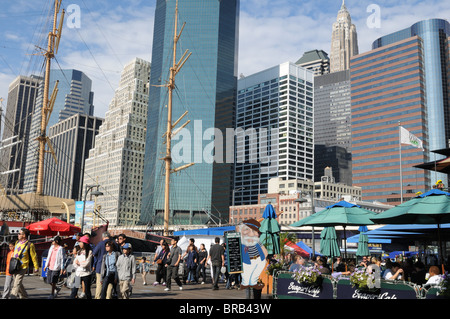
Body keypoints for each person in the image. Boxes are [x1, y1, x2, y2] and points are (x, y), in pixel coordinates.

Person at [11, 228, 39, 299]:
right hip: (15, 265)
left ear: (24, 235)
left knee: (16, 284)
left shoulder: (30, 245)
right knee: (18, 283)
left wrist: (36, 267)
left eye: (19, 233)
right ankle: (24, 296)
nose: (18, 235)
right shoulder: (17, 242)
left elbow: (34, 256)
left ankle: (12, 296)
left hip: (23, 266)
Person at [92, 231, 113, 299]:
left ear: (103, 237)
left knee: (99, 284)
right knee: (109, 284)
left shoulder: (100, 244)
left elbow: (94, 253)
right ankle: (108, 297)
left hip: (100, 266)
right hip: (111, 267)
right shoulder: (113, 243)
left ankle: (98, 297)